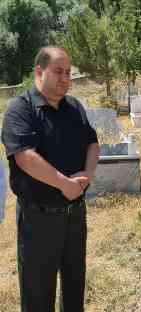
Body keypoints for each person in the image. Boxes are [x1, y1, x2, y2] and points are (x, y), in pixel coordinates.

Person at [1, 46, 100, 311]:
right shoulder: (20, 110)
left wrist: (87, 175)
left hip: (75, 216)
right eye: (58, 72)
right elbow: (24, 156)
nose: (66, 78)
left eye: (68, 72)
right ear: (39, 71)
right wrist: (64, 184)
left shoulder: (74, 107)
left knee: (74, 287)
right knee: (38, 295)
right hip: (39, 220)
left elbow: (93, 143)